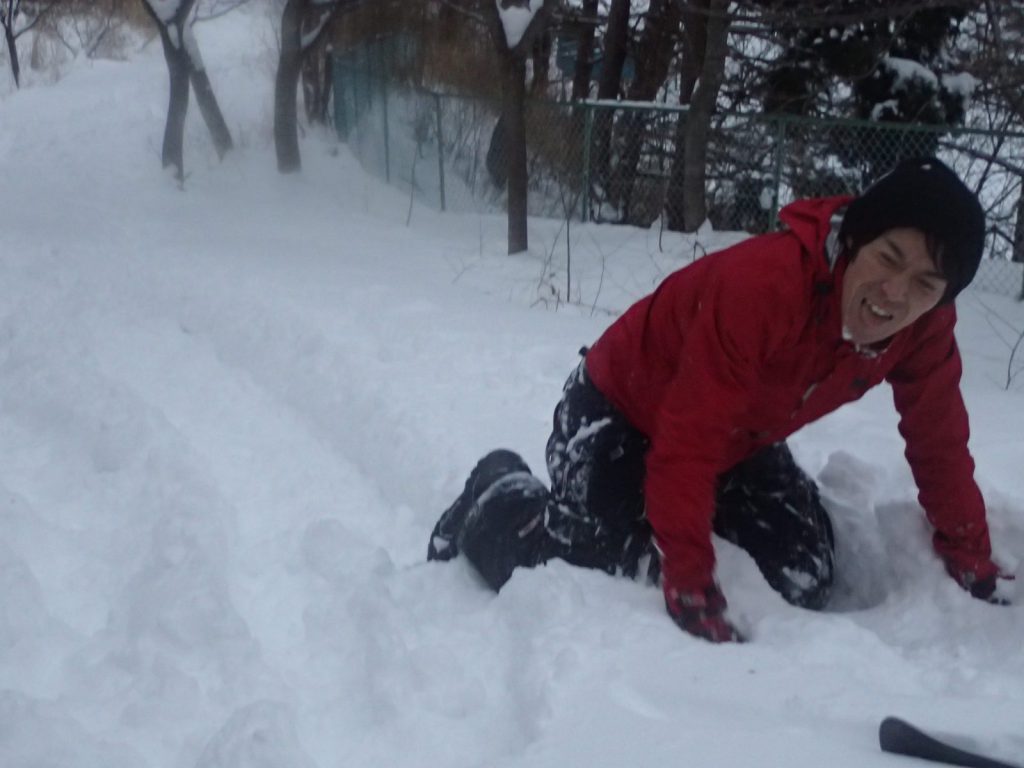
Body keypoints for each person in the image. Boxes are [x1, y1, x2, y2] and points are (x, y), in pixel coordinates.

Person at [426, 156, 1012, 643]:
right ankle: (500, 494)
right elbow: (688, 435)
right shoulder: (764, 287)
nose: (895, 294)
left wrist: (970, 554)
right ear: (856, 240)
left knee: (803, 578)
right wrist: (687, 573)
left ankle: (695, 515)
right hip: (619, 411)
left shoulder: (923, 328)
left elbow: (939, 441)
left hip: (738, 435)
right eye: (889, 258)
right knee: (625, 568)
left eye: (924, 284)